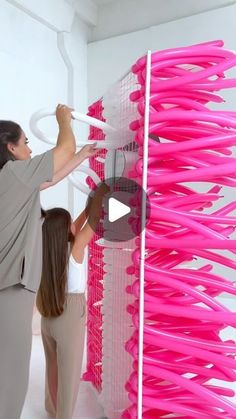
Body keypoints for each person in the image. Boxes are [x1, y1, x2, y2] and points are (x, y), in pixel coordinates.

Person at [0, 104, 97, 419]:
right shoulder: (13, 172)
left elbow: (46, 181)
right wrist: (63, 121)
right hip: (11, 288)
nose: (29, 149)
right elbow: (63, 147)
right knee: (13, 370)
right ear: (10, 147)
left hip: (22, 293)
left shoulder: (14, 181)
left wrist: (81, 157)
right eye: (25, 142)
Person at [36, 183, 109, 419]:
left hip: (48, 318)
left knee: (54, 369)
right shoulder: (75, 248)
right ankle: (64, 416)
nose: (74, 226)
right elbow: (94, 221)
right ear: (66, 231)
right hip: (69, 316)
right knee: (69, 373)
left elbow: (78, 223)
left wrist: (90, 202)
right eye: (70, 224)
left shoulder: (49, 250)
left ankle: (52, 409)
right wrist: (102, 192)